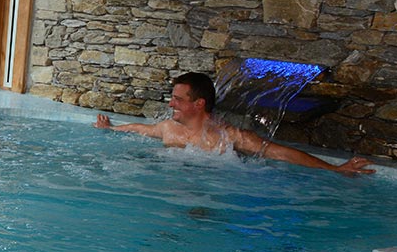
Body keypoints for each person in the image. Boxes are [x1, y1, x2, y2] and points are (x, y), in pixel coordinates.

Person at [94, 71, 373, 176]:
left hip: (215, 190)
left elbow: (281, 153)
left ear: (199, 103)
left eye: (177, 99)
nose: (171, 104)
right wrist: (111, 129)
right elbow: (139, 129)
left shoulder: (229, 137)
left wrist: (334, 169)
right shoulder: (168, 129)